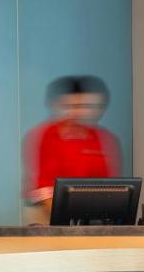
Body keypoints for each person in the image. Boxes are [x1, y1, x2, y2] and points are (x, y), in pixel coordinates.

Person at [22, 76, 121, 224]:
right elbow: (43, 189)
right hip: (47, 211)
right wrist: (67, 225)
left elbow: (112, 186)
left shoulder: (105, 138)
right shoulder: (45, 135)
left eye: (95, 107)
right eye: (81, 106)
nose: (86, 112)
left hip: (90, 214)